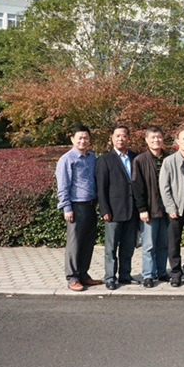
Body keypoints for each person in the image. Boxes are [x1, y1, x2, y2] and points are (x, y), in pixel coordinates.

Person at [56, 125, 102, 291]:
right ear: (72, 139)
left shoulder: (92, 157)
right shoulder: (67, 159)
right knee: (74, 244)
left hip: (90, 205)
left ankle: (83, 274)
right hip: (76, 206)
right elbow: (63, 186)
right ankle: (72, 277)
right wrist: (66, 207)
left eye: (85, 138)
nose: (83, 141)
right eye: (79, 138)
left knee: (88, 242)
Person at [95, 125, 139, 290]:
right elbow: (101, 187)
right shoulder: (104, 160)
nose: (121, 138)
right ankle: (110, 277)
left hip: (132, 210)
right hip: (113, 211)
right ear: (112, 138)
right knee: (111, 247)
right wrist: (104, 209)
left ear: (128, 138)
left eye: (124, 135)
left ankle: (125, 275)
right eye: (117, 136)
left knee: (128, 246)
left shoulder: (135, 157)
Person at [159, 130, 184, 287]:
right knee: (174, 242)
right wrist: (170, 207)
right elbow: (164, 187)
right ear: (177, 141)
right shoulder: (169, 162)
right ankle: (175, 273)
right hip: (175, 207)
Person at [132, 126, 169, 288]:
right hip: (149, 208)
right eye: (152, 137)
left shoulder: (168, 158)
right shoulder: (140, 160)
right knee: (149, 244)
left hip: (167, 208)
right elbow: (137, 187)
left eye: (159, 137)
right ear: (146, 140)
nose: (156, 140)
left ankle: (162, 271)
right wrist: (142, 209)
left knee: (163, 243)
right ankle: (148, 274)